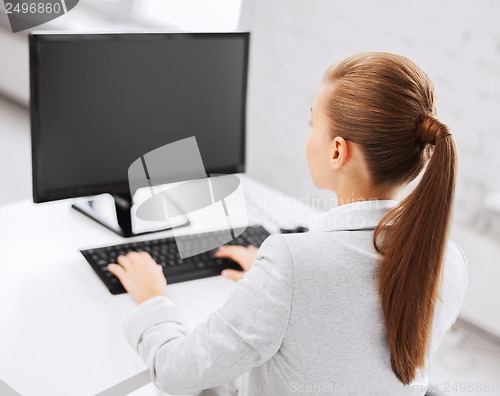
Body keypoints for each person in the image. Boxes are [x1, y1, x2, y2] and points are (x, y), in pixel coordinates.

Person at [107, 52, 468, 395]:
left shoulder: (293, 264)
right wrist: (274, 286)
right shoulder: (447, 259)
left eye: (314, 124)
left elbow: (175, 373)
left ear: (337, 151)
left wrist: (153, 298)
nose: (308, 137)